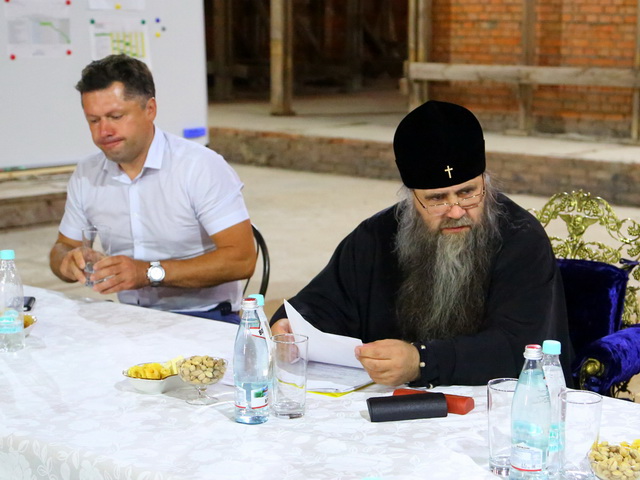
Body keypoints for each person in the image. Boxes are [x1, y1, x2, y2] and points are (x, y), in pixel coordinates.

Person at [270, 100, 573, 387]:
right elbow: (324, 304)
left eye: (468, 193)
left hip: (501, 404)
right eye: (437, 199)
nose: (456, 212)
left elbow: (518, 347)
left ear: (485, 182)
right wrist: (289, 326)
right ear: (412, 198)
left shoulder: (521, 238)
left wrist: (422, 361)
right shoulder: (375, 237)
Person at [49, 54, 255, 323]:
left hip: (205, 317)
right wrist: (67, 262)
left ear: (150, 109)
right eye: (93, 120)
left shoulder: (199, 167)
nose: (104, 131)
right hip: (128, 316)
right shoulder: (87, 173)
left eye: (115, 116)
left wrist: (148, 273)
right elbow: (63, 246)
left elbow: (242, 259)